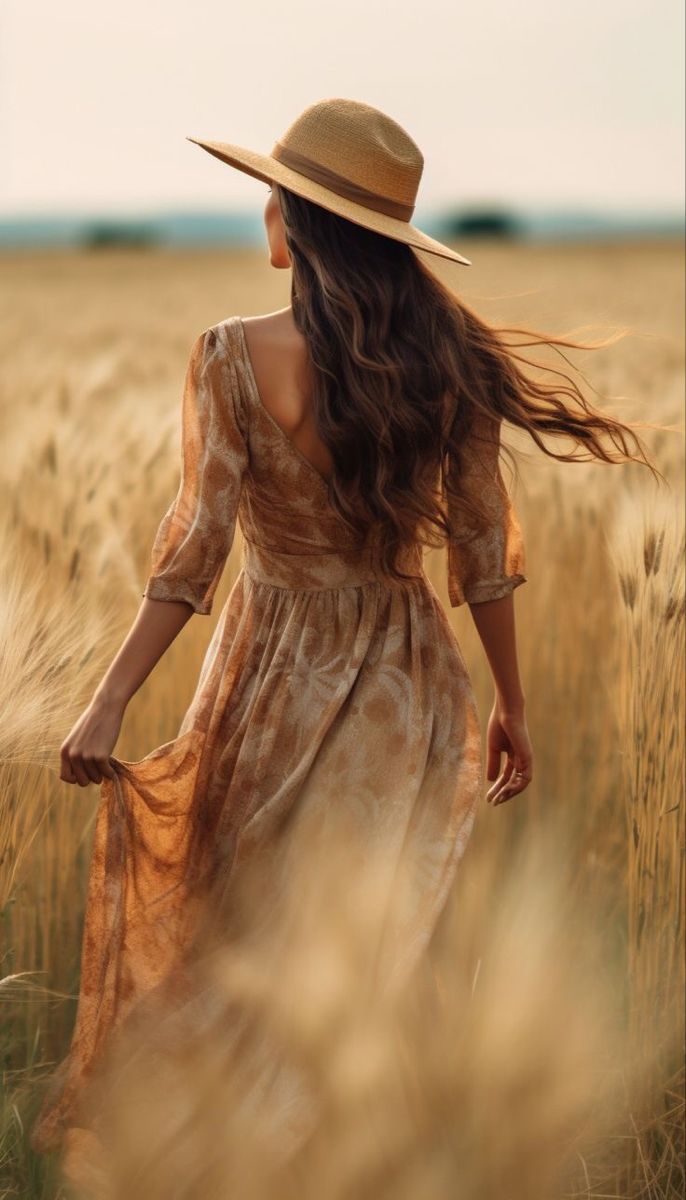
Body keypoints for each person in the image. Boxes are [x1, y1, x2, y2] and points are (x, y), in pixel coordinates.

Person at [30, 98, 658, 1169]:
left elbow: (195, 551)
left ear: (301, 223)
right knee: (378, 945)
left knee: (252, 932)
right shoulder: (446, 360)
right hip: (405, 683)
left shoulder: (229, 356)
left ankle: (249, 1159)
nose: (263, 207)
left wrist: (110, 697)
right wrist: (509, 704)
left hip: (263, 670)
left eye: (275, 193)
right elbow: (478, 555)